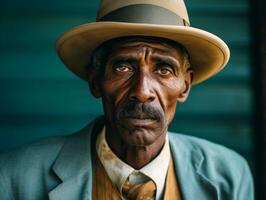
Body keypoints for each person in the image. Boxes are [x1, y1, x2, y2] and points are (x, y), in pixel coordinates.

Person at [0, 0, 254, 199]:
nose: (142, 91)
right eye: (123, 67)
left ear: (185, 86)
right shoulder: (14, 177)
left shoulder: (229, 174)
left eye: (164, 69)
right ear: (95, 81)